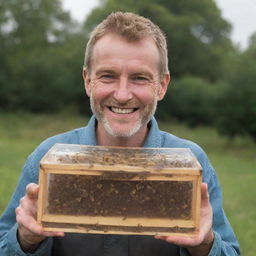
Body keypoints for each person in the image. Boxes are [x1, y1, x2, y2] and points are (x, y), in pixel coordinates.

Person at [0, 12, 240, 256]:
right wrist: (25, 240)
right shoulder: (46, 158)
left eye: (139, 78)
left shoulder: (193, 163)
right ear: (87, 81)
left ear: (162, 85)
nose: (123, 94)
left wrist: (205, 244)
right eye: (108, 76)